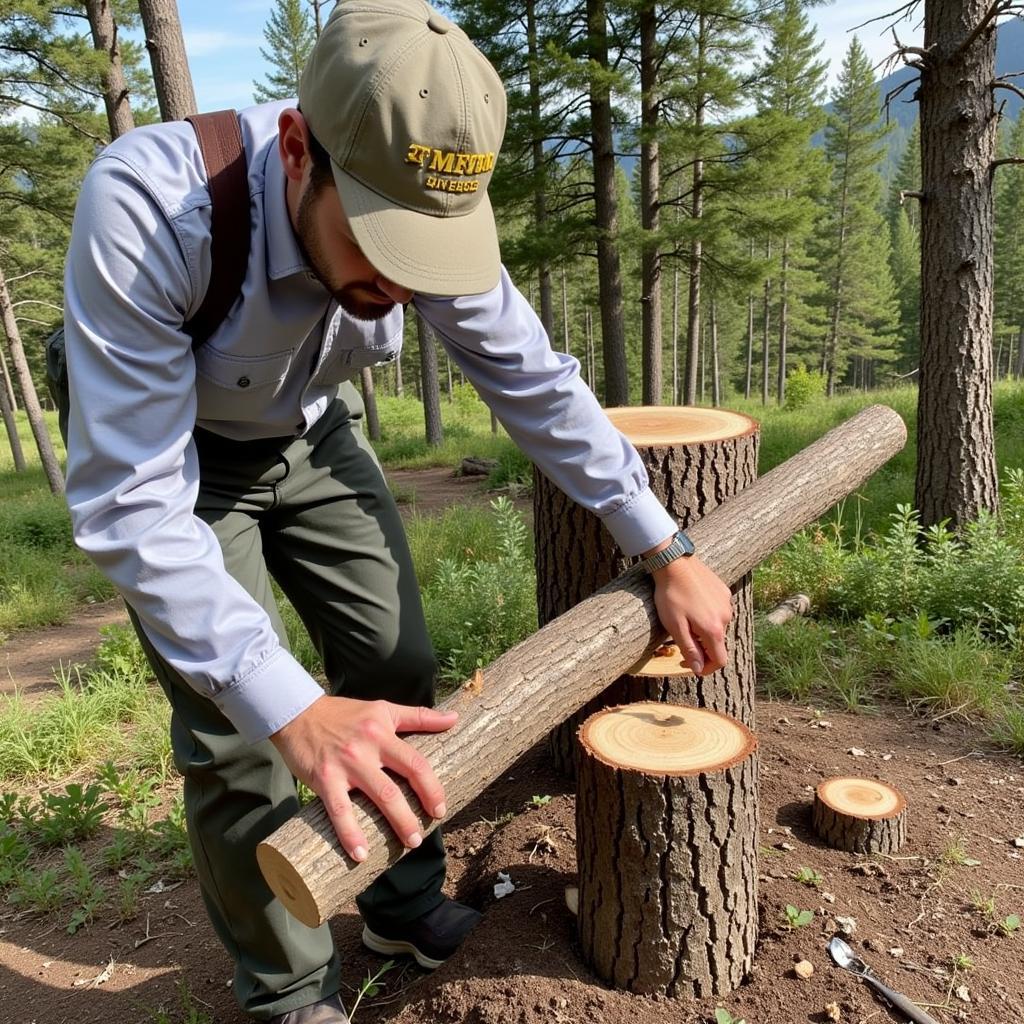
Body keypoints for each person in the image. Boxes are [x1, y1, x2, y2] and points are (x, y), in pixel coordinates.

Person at [62, 1, 734, 1021]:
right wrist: (288, 707)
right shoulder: (152, 214)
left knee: (394, 662)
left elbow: (533, 380)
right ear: (299, 147)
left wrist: (664, 543)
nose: (407, 282)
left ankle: (396, 901)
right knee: (242, 732)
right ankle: (288, 988)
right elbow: (131, 501)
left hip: (307, 426)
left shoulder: (418, 207)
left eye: (431, 254)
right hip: (176, 455)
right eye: (380, 244)